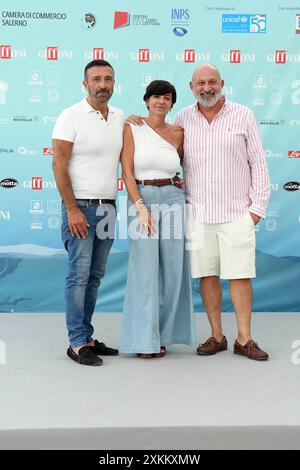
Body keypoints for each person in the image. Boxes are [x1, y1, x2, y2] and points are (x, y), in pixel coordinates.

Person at [174, 64, 271, 360]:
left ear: (222, 83)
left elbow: (259, 164)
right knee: (207, 276)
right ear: (192, 87)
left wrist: (255, 211)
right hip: (198, 215)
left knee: (240, 276)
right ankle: (216, 335)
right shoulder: (182, 119)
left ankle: (245, 339)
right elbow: (170, 160)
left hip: (236, 214)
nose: (207, 88)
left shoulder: (243, 115)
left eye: (212, 82)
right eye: (201, 83)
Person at [52, 59, 124, 366]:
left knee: (94, 277)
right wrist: (72, 209)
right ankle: (76, 343)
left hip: (108, 208)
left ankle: (87, 335)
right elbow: (59, 163)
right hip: (80, 208)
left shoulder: (119, 117)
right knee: (78, 276)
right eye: (96, 78)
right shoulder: (71, 116)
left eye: (108, 78)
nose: (103, 84)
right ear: (85, 84)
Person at [120, 80, 196, 358]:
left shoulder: (178, 133)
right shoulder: (132, 127)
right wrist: (139, 205)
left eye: (166, 97)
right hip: (143, 197)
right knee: (145, 271)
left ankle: (162, 337)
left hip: (173, 198)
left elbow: (184, 165)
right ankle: (143, 340)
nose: (160, 102)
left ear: (172, 103)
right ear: (146, 100)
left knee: (173, 271)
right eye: (155, 97)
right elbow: (126, 171)